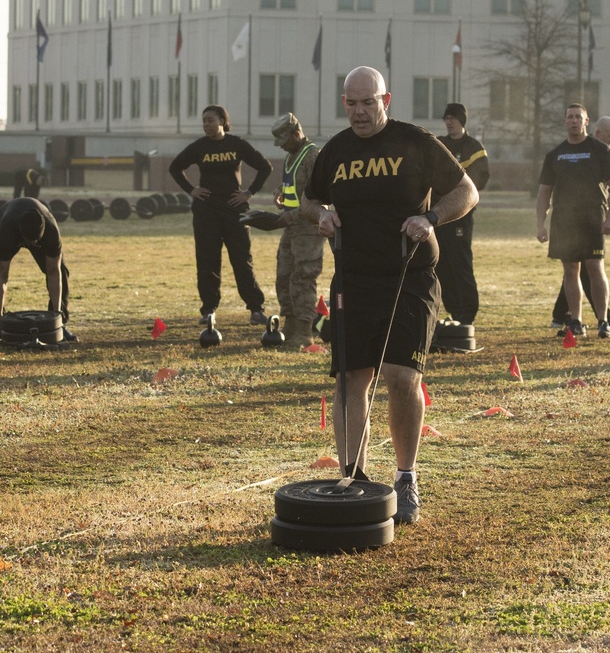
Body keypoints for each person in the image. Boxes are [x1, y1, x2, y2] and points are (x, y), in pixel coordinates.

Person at [301, 66, 478, 524]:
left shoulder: (415, 142)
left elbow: (467, 190)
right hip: (354, 279)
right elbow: (309, 198)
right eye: (351, 103)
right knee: (350, 380)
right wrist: (320, 214)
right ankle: (354, 476)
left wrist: (432, 218)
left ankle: (405, 477)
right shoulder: (335, 152)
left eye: (368, 102)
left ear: (387, 99)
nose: (360, 111)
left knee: (402, 378)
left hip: (410, 275)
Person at [169, 105, 272, 325]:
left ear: (223, 121)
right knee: (207, 262)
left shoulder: (237, 144)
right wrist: (192, 190)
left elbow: (265, 167)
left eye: (210, 120)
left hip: (235, 211)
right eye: (203, 121)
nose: (206, 125)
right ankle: (208, 311)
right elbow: (175, 167)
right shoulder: (199, 147)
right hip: (207, 213)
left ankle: (256, 309)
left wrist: (248, 193)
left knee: (242, 261)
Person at [536, 105, 610, 340]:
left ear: (586, 122)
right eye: (570, 117)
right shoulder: (555, 154)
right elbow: (544, 192)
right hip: (564, 220)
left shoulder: (601, 151)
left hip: (592, 218)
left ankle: (603, 322)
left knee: (595, 268)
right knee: (571, 270)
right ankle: (576, 321)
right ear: (565, 122)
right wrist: (540, 224)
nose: (574, 121)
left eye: (578, 117)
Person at [0, 196, 76, 343]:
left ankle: (60, 322)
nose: (31, 244)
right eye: (29, 241)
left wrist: (56, 320)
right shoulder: (7, 231)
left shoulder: (51, 231)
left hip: (40, 229)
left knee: (62, 272)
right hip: (9, 220)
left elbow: (53, 272)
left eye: (34, 242)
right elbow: (1, 277)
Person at [269, 112, 325, 349]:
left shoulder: (313, 157)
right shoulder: (291, 157)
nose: (282, 148)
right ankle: (289, 326)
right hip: (291, 228)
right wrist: (280, 197)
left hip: (308, 229)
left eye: (285, 142)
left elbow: (321, 196)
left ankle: (303, 332)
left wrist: (296, 213)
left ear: (296, 133)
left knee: (303, 278)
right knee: (284, 277)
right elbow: (291, 187)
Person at [436, 102, 489, 326]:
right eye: (446, 118)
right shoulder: (439, 144)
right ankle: (454, 309)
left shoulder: (474, 148)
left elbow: (480, 179)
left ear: (462, 121)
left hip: (462, 216)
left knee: (460, 262)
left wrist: (458, 196)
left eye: (453, 118)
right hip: (440, 215)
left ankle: (468, 311)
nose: (449, 122)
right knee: (442, 263)